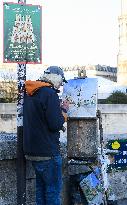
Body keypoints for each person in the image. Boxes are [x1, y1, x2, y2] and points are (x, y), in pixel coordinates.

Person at [23, 66, 68, 205]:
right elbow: (55, 124)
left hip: (33, 150)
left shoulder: (31, 92)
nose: (61, 84)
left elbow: (41, 119)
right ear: (56, 78)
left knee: (41, 190)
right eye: (61, 81)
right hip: (48, 152)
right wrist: (64, 111)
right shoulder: (49, 93)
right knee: (53, 192)